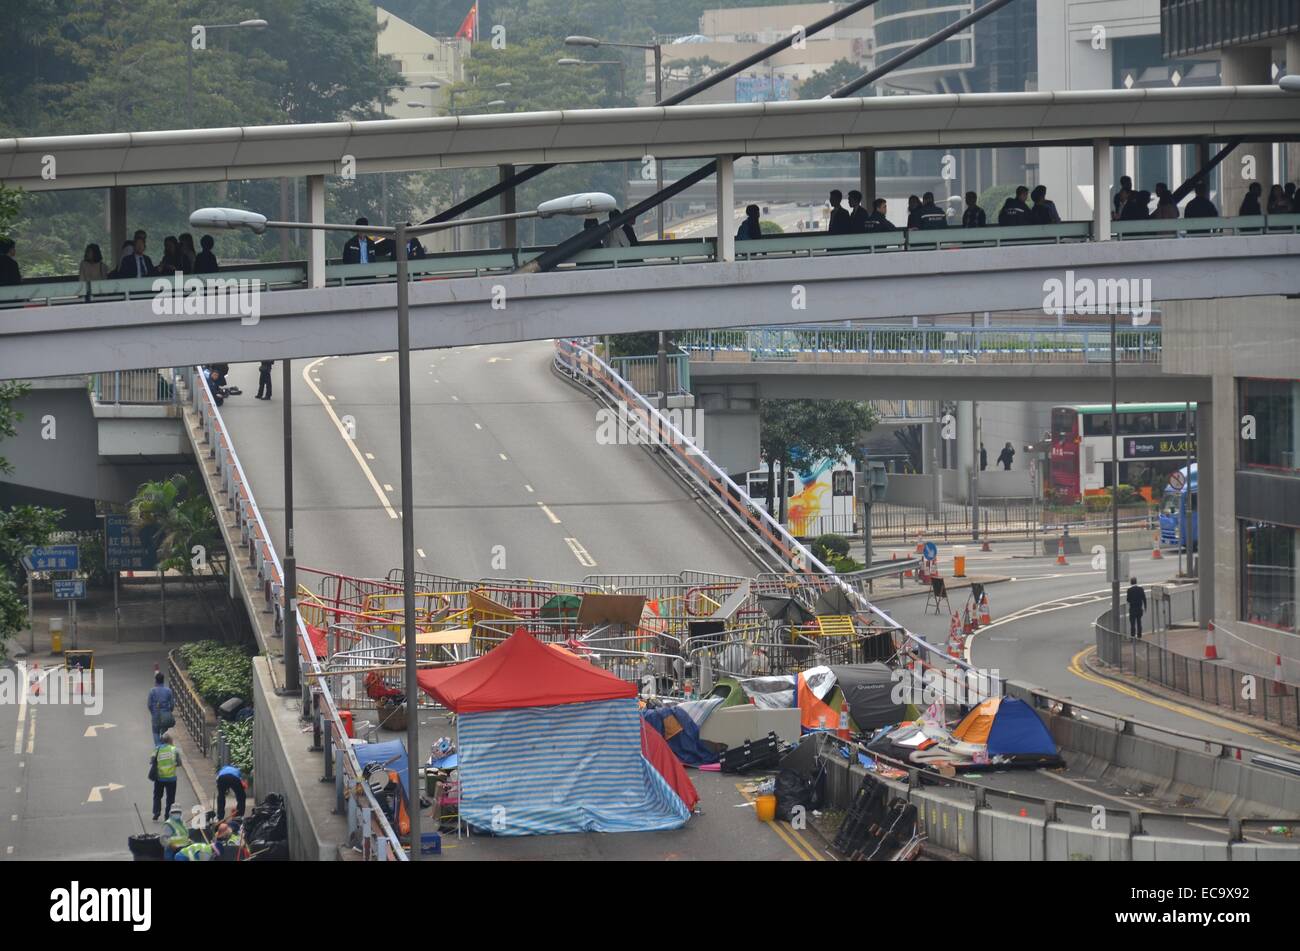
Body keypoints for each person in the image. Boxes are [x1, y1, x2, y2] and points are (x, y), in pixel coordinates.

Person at [151, 732, 181, 821]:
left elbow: (152, 760)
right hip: (171, 778)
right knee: (170, 798)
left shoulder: (157, 749)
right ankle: (167, 816)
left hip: (159, 778)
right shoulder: (174, 749)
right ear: (170, 740)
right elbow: (179, 763)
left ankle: (156, 812)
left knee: (157, 796)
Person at [147, 671, 175, 747]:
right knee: (164, 732)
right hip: (165, 715)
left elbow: (149, 704)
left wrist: (153, 712)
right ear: (163, 680)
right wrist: (169, 711)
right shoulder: (168, 691)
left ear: (155, 680)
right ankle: (164, 748)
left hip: (156, 715)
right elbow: (172, 704)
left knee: (155, 732)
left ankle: (158, 748)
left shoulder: (152, 691)